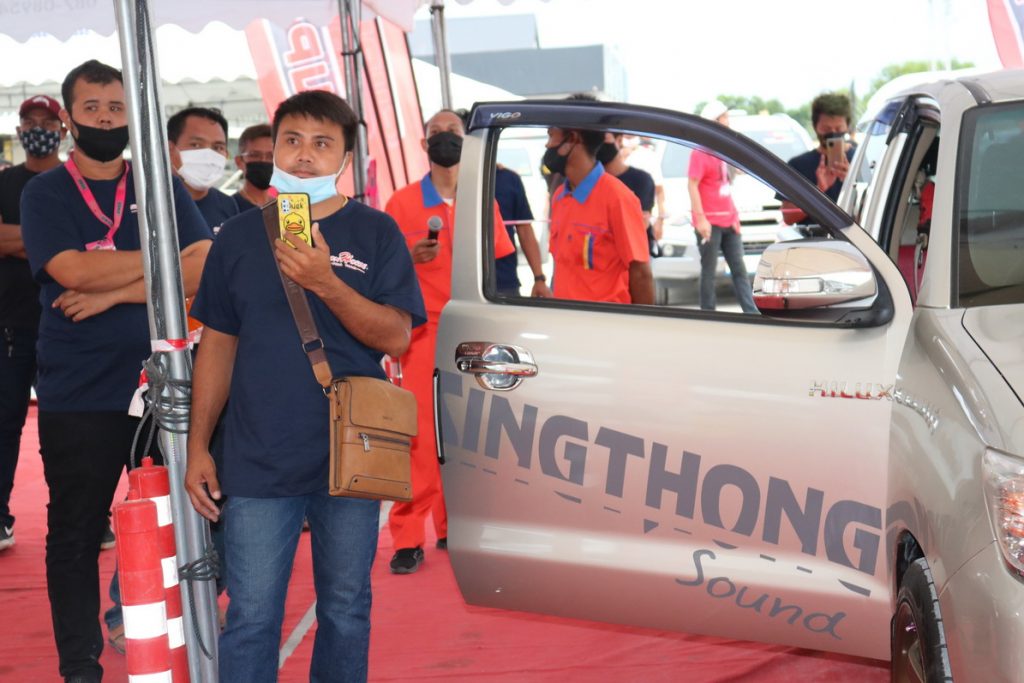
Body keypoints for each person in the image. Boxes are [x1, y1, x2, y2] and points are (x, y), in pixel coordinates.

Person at [184, 89, 425, 682]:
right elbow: (217, 345)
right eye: (292, 141)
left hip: (351, 454)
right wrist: (198, 446)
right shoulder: (238, 237)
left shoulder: (376, 232)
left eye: (322, 143)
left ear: (345, 158)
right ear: (273, 149)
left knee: (346, 610)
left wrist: (326, 281)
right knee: (251, 616)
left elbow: (396, 337)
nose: (304, 155)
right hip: (257, 459)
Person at [20, 59, 212, 683]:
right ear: (70, 117)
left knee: (184, 522)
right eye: (93, 108)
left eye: (116, 108)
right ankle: (80, 662)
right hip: (78, 391)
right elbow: (70, 271)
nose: (105, 119)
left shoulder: (158, 185)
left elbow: (203, 263)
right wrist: (159, 261)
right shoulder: (45, 192)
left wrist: (114, 292)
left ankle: (178, 644)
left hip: (164, 386)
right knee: (76, 531)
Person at [384, 109, 515, 574]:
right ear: (424, 145)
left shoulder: (482, 200)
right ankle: (407, 535)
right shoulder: (400, 204)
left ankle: (452, 525)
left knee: (467, 435)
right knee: (419, 437)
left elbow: (500, 268)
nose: (444, 139)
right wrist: (407, 258)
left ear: (467, 141)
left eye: (452, 132)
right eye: (436, 133)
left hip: (473, 336)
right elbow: (380, 274)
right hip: (420, 335)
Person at [0, 95, 66, 552]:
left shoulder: (74, 182)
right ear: (19, 128)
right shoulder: (5, 182)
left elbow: (87, 245)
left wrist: (19, 240)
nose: (38, 128)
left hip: (68, 325)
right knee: (5, 425)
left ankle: (86, 515)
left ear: (62, 129)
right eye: (30, 120)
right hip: (11, 326)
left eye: (47, 121)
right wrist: (52, 243)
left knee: (67, 429)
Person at [544, 118, 654, 304]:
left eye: (551, 136)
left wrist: (644, 322)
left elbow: (641, 274)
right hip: (564, 317)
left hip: (605, 320)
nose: (547, 145)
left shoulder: (618, 198)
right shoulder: (560, 196)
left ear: (573, 138)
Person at [687, 100, 757, 314]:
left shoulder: (724, 149)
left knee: (739, 269)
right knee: (709, 272)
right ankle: (708, 315)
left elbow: (731, 180)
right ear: (715, 121)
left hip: (729, 220)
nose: (728, 121)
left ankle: (752, 314)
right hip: (709, 222)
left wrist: (734, 218)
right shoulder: (700, 152)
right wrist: (701, 219)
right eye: (725, 117)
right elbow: (692, 185)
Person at [780, 92, 856, 224]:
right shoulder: (798, 165)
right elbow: (788, 217)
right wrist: (818, 191)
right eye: (826, 129)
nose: (833, 133)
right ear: (815, 127)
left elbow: (874, 210)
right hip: (813, 235)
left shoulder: (860, 160)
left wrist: (852, 183)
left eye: (838, 128)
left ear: (847, 126)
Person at [167, 106, 239, 232]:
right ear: (170, 149)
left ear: (226, 154)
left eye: (218, 147)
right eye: (196, 145)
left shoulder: (228, 205)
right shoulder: (150, 203)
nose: (208, 155)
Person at [599, 132, 661, 257]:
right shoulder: (589, 182)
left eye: (604, 138)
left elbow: (640, 224)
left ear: (619, 140)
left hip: (631, 258)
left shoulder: (641, 180)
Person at [494, 164, 551, 297]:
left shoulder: (509, 179)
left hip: (505, 281)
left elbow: (524, 229)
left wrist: (539, 278)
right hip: (460, 280)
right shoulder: (455, 181)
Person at [232, 123, 274, 213]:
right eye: (255, 155)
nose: (263, 160)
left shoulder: (283, 209)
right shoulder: (229, 208)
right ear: (239, 162)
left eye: (271, 156)